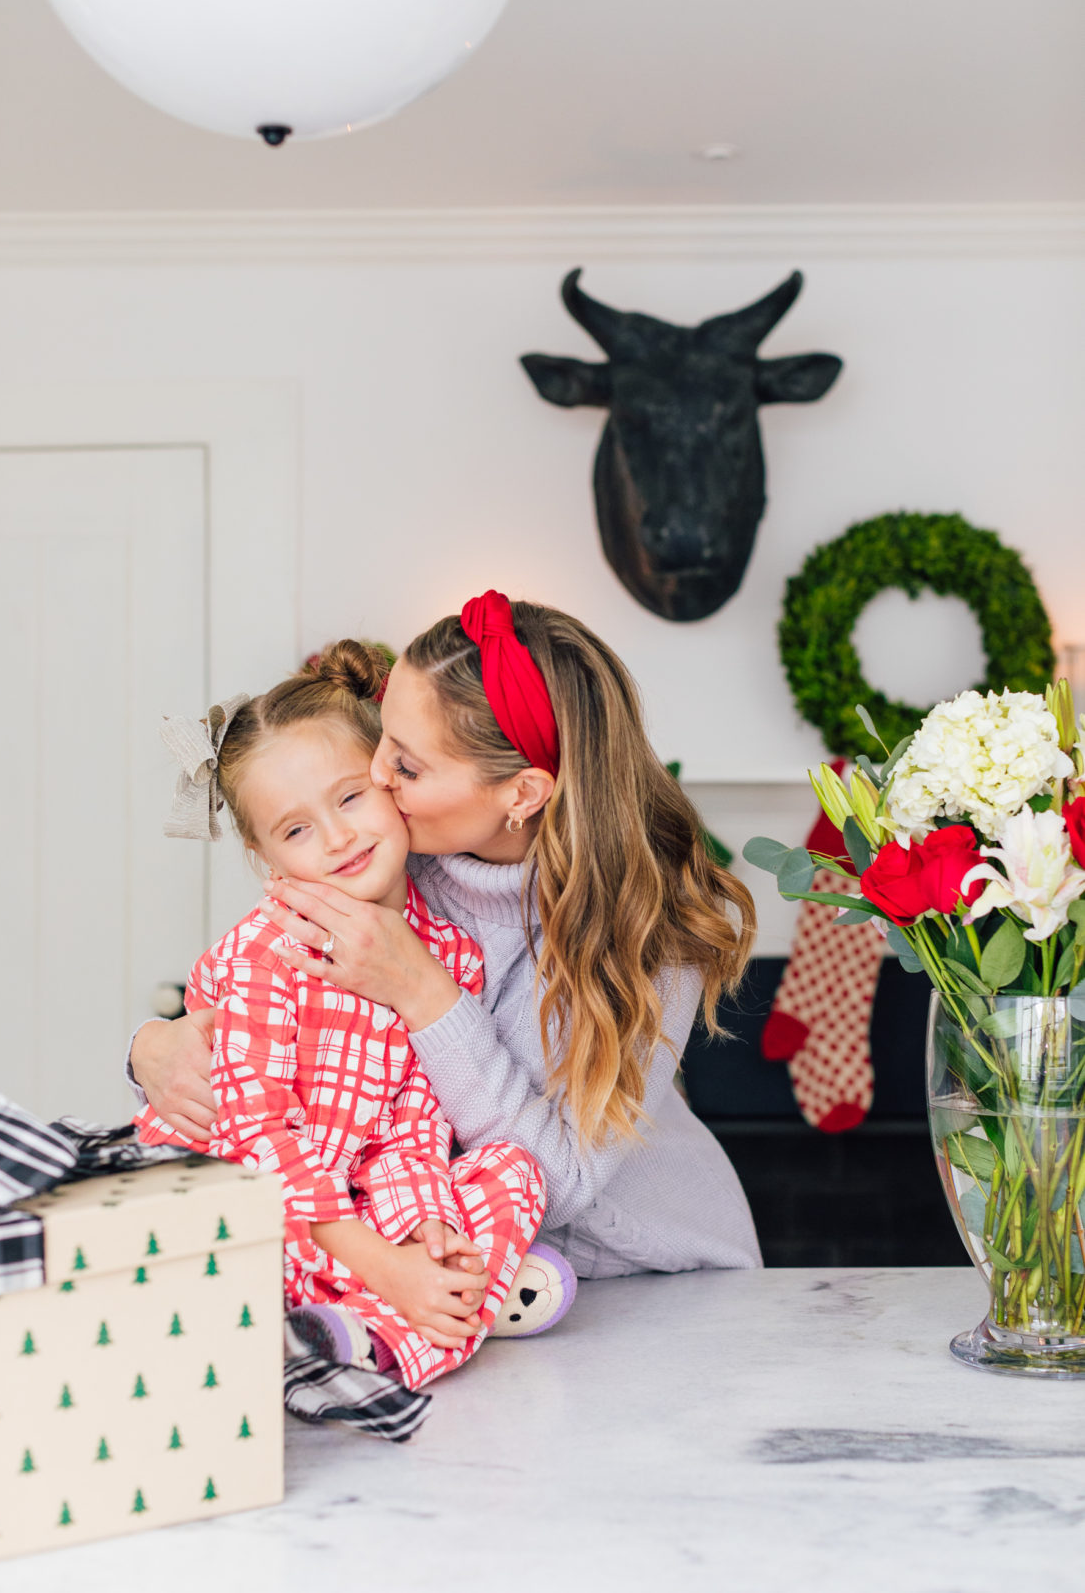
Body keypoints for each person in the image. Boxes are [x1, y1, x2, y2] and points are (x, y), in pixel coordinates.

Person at [131, 592, 763, 1281]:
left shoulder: (651, 933)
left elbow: (560, 1184)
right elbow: (288, 1048)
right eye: (382, 744)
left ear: (522, 793)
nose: (372, 779)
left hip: (645, 1273)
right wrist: (151, 1050)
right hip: (443, 1265)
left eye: (405, 765)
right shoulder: (385, 857)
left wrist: (423, 992)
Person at [136, 640, 552, 1393]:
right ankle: (408, 1311)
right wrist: (381, 1260)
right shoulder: (265, 957)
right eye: (296, 830)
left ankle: (370, 1336)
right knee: (231, 1237)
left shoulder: (448, 953)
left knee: (511, 1173)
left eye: (350, 797)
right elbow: (258, 1139)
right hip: (255, 1197)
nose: (337, 838)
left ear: (392, 784)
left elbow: (416, 1128)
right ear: (268, 863)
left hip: (358, 1203)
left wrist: (425, 1226)